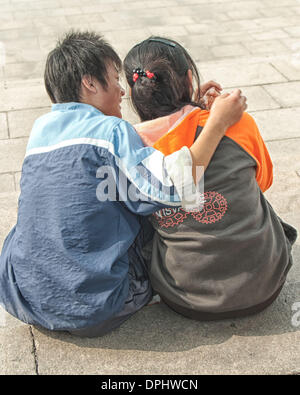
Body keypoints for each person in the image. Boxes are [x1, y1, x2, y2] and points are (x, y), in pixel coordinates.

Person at [0, 31, 247, 337]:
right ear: (90, 83)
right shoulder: (111, 131)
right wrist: (217, 121)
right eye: (114, 78)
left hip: (25, 297)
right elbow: (173, 186)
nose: (121, 91)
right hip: (94, 308)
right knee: (148, 214)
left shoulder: (40, 131)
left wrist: (188, 109)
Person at [123, 36, 297, 320]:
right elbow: (262, 181)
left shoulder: (133, 147)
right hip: (265, 286)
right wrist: (199, 114)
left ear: (134, 92)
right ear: (189, 78)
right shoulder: (238, 123)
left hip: (184, 297)